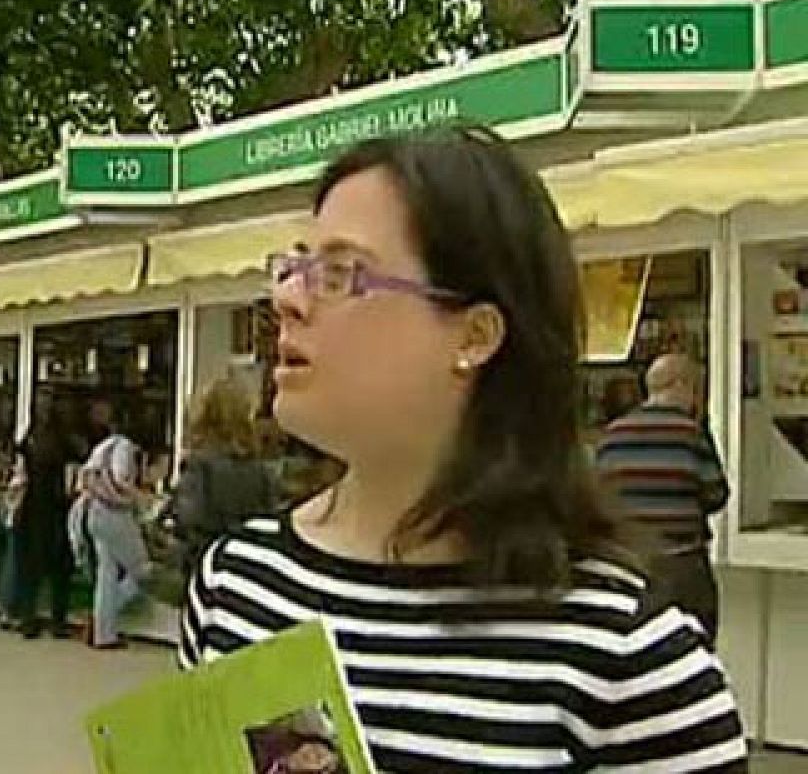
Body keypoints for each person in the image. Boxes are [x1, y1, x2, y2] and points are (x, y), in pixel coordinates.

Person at [181, 129, 747, 769]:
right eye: (293, 266)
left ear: (476, 335)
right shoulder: (236, 582)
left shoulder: (630, 663)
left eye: (340, 273)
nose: (286, 298)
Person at [596, 353, 730, 645]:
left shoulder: (612, 436)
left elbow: (600, 499)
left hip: (628, 564)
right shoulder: (690, 434)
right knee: (695, 650)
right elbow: (717, 495)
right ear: (683, 386)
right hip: (682, 564)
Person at [173, 378, 279, 576]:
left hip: (206, 566)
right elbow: (270, 519)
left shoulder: (200, 465)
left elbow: (189, 518)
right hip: (248, 567)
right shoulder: (261, 471)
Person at [75, 403, 150, 651]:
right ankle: (101, 622)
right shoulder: (124, 447)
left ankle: (103, 632)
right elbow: (119, 477)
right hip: (115, 514)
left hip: (94, 511)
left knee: (106, 574)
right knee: (142, 572)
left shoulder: (102, 446)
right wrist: (139, 496)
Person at [8, 397, 78, 640]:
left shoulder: (29, 441)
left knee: (30, 569)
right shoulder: (65, 444)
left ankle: (29, 619)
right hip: (57, 508)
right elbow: (73, 474)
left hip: (32, 506)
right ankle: (58, 621)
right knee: (60, 571)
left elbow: (21, 473)